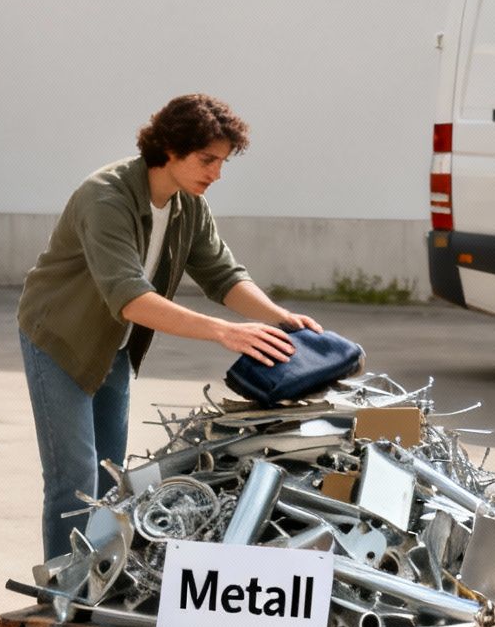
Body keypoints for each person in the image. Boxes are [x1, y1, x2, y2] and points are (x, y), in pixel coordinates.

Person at [16, 94, 322, 560]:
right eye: (207, 160)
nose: (216, 173)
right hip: (59, 338)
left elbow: (223, 275)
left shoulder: (187, 205)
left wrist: (278, 317)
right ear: (171, 149)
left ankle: (96, 583)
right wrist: (224, 332)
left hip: (112, 346)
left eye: (221, 162)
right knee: (74, 479)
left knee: (110, 476)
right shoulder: (106, 196)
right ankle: (59, 596)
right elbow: (131, 298)